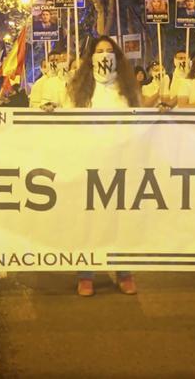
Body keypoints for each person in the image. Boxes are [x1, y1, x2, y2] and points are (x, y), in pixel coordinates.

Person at [66, 35, 139, 296]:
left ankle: (124, 271)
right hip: (89, 163)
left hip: (120, 164)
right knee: (88, 219)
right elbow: (66, 122)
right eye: (99, 51)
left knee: (120, 218)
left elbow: (139, 121)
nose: (104, 55)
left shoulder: (126, 89)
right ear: (91, 57)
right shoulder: (80, 89)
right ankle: (86, 274)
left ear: (116, 56)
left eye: (109, 50)